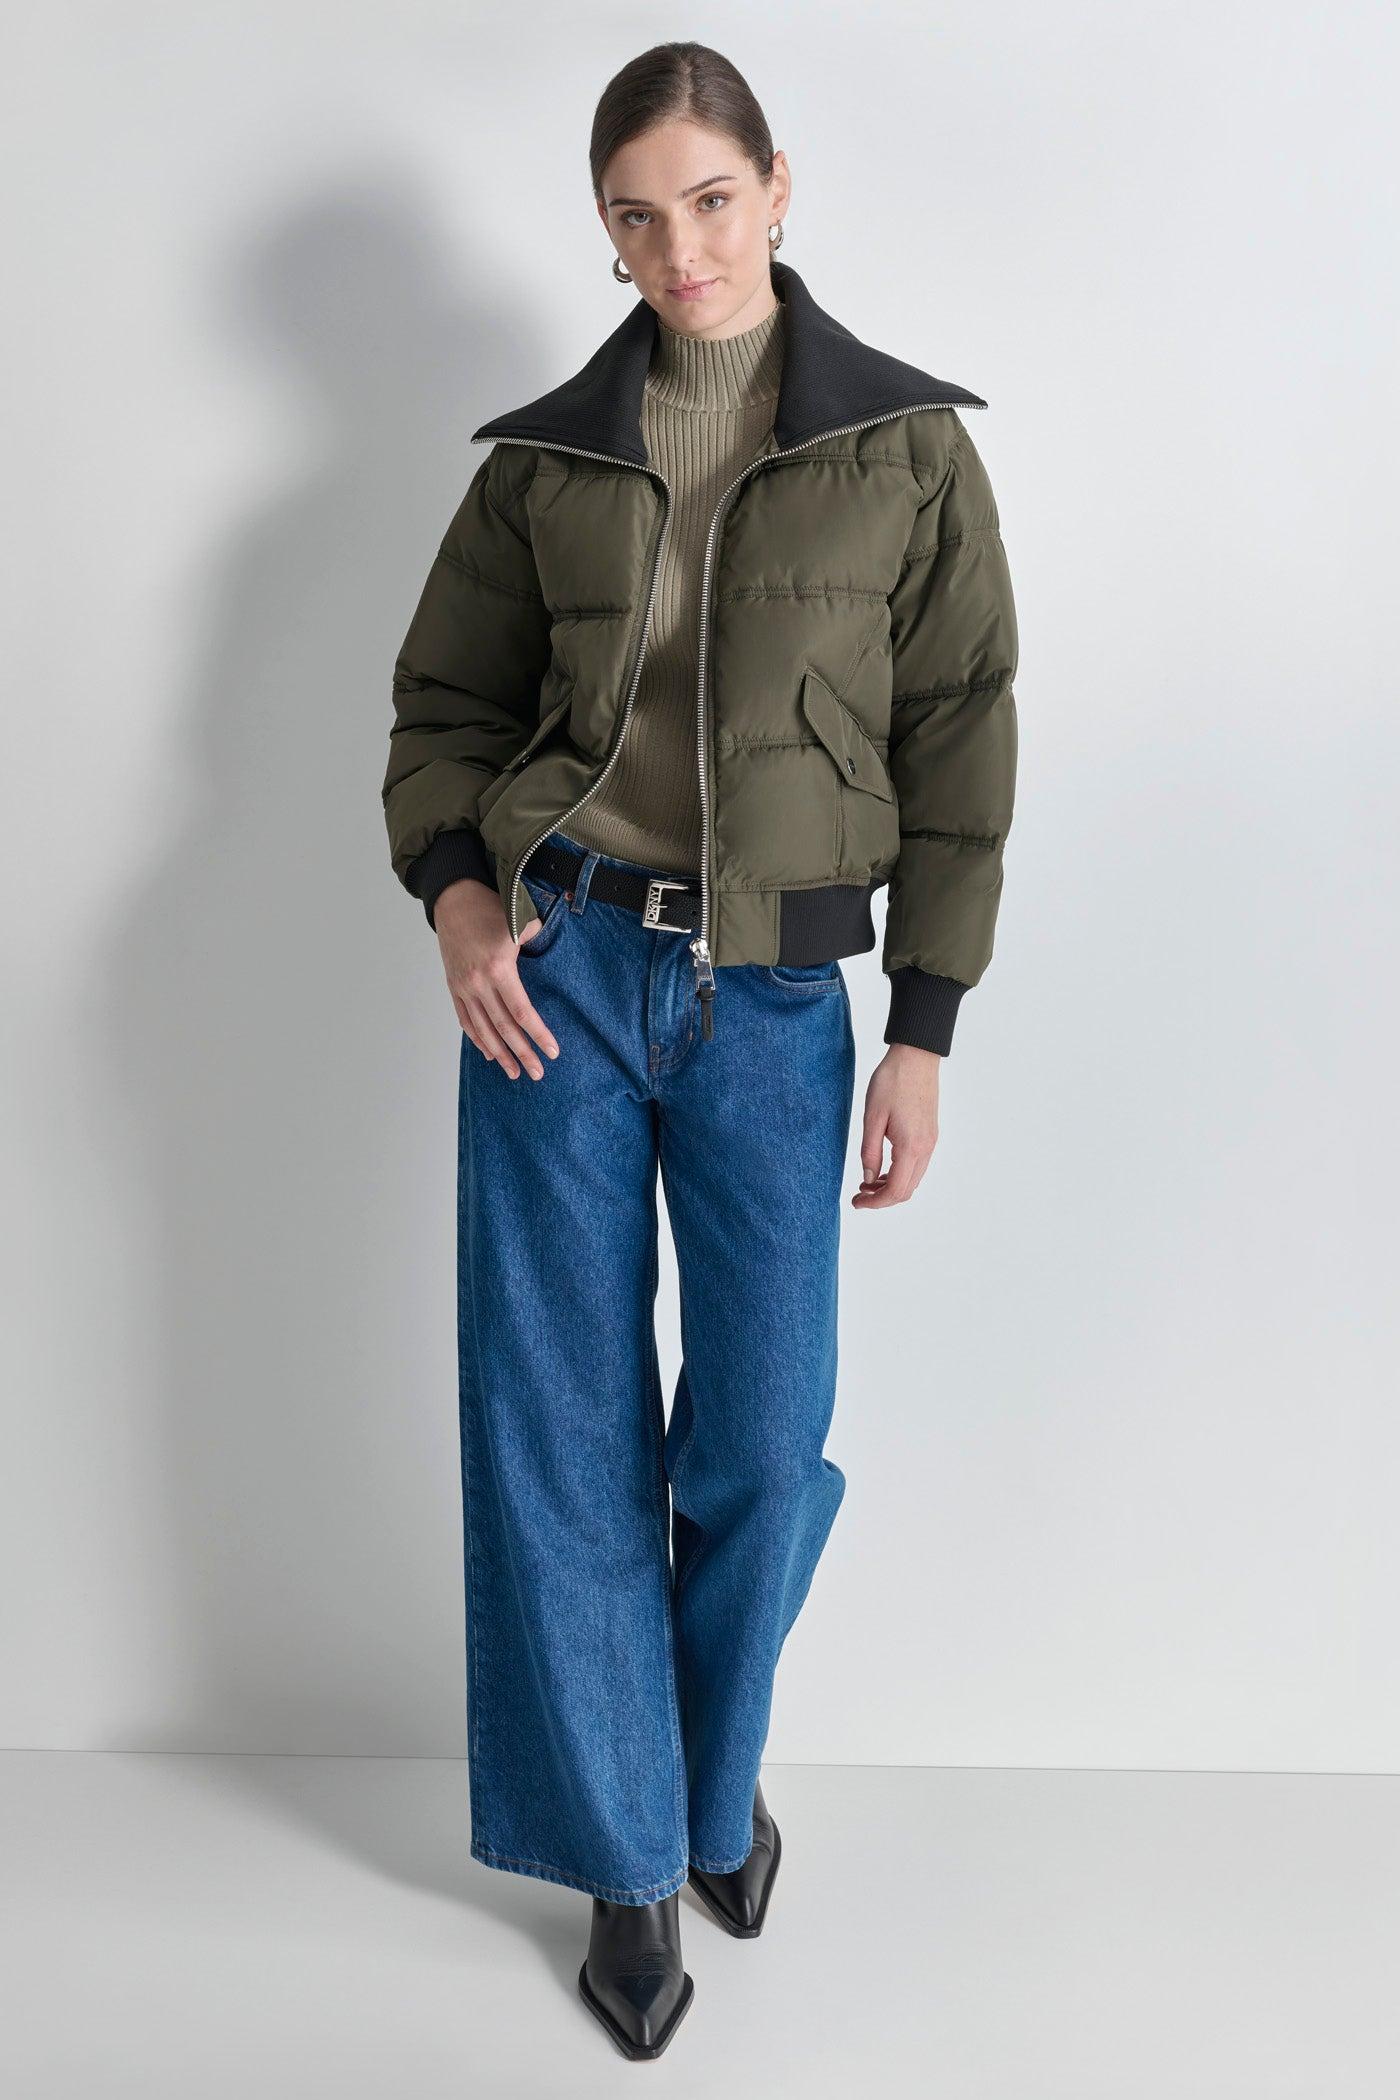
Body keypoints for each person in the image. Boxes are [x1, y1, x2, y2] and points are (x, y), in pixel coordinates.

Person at [382, 40, 1018, 2062]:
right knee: (560, 1429)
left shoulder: (905, 453)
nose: (681, 250)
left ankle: (703, 1774)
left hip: (775, 1004)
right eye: (637, 217)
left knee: (760, 1434)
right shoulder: (545, 464)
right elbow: (440, 712)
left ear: (778, 187)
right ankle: (627, 1859)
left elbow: (961, 744)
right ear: (605, 230)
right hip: (553, 978)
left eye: (712, 200)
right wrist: (460, 902)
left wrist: (922, 1030)